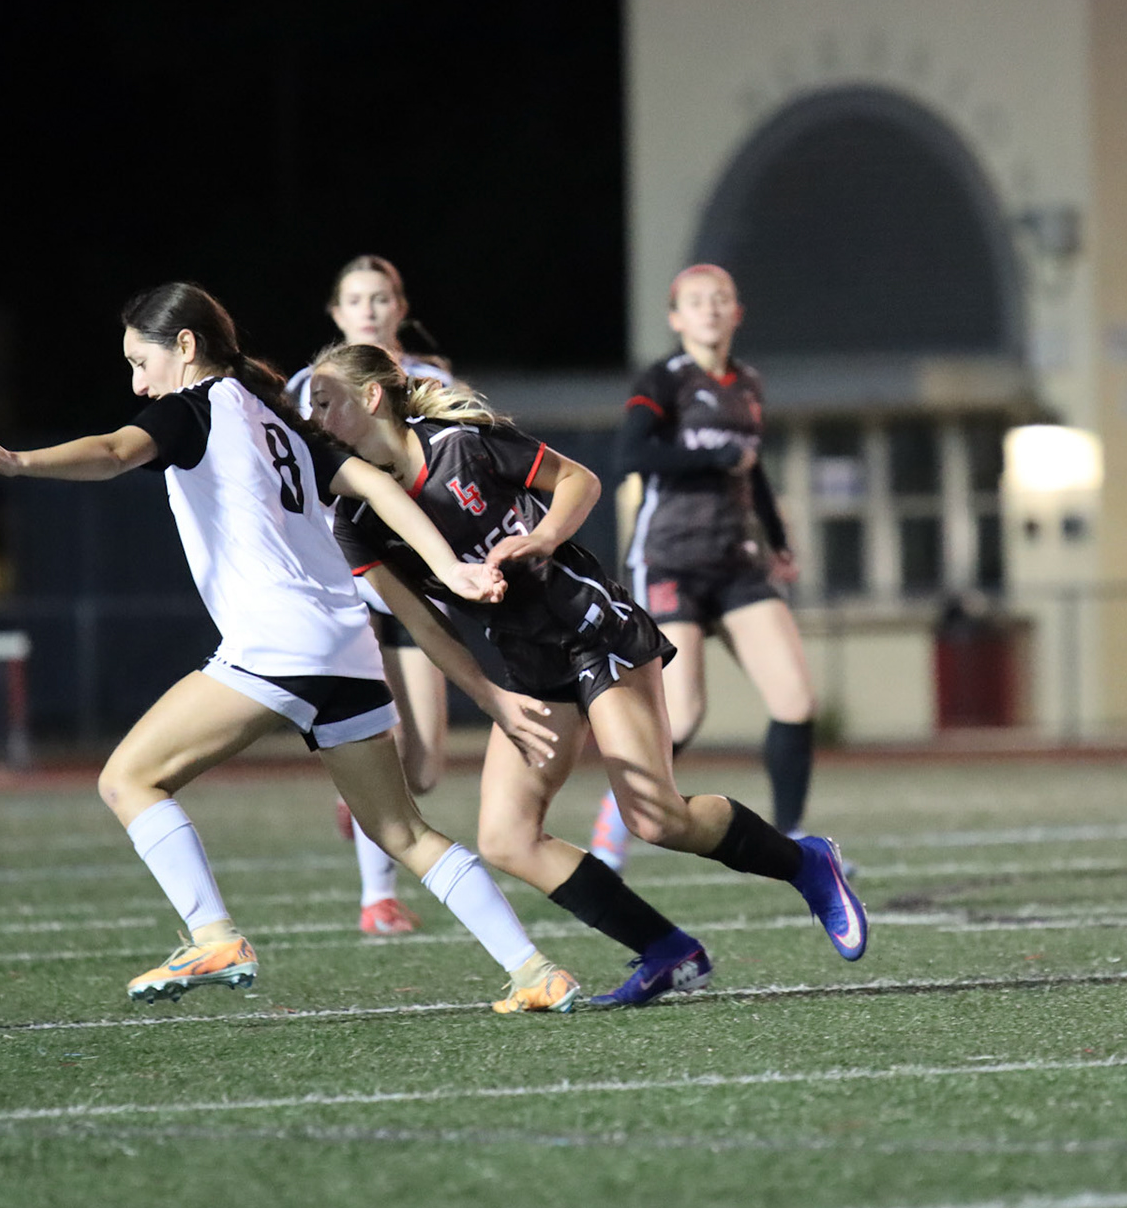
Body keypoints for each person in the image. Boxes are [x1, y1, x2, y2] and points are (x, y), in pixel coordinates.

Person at [0, 282, 579, 1014]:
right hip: (347, 645)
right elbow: (382, 489)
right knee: (403, 832)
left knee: (128, 779)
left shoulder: (196, 405)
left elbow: (113, 451)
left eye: (140, 363)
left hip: (280, 641)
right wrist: (449, 568)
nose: (138, 384)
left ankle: (213, 935)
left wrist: (19, 462)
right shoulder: (278, 417)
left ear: (186, 346)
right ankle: (535, 970)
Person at [306, 342, 866, 1007]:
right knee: (507, 837)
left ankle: (808, 864)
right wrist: (490, 699)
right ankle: (668, 950)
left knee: (656, 819)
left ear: (371, 398)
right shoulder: (355, 520)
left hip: (590, 629)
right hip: (526, 662)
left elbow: (580, 481)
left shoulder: (461, 445)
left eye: (322, 403)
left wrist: (542, 539)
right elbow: (425, 627)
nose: (312, 420)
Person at [590, 264, 819, 873]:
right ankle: (617, 812)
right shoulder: (664, 379)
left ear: (737, 312)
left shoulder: (748, 382)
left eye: (721, 298)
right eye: (696, 301)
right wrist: (711, 455)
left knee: (795, 698)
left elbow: (752, 466)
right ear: (676, 317)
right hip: (670, 558)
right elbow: (631, 454)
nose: (710, 308)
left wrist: (777, 538)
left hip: (736, 560)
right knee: (685, 711)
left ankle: (795, 839)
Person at [285, 255, 456, 937]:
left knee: (427, 765)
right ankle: (376, 897)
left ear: (400, 307)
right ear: (337, 312)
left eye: (381, 297)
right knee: (380, 736)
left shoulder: (433, 380)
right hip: (345, 573)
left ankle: (356, 803)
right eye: (356, 299)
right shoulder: (308, 387)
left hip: (414, 573)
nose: (370, 309)